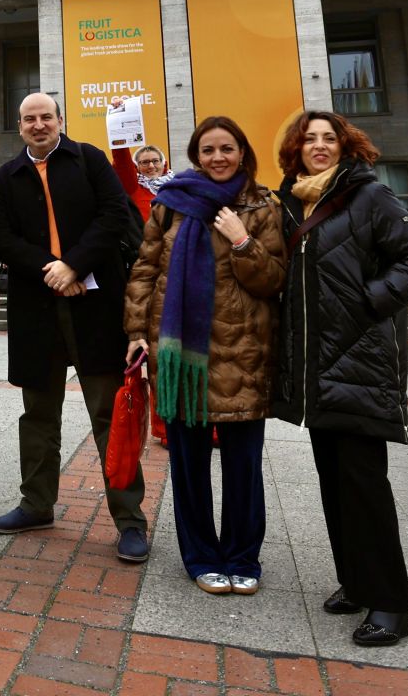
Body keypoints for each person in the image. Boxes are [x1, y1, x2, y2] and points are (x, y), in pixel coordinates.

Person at [272, 109, 408, 648]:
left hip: (359, 361)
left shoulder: (369, 196)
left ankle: (391, 602)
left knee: (363, 484)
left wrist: (368, 303)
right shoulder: (294, 203)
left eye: (329, 138)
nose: (319, 146)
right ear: (296, 149)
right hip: (317, 367)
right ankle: (357, 581)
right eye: (309, 139)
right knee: (334, 482)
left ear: (345, 146)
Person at [123, 116, 285, 596]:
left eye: (227, 149)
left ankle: (241, 556)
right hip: (179, 357)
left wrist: (241, 240)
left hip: (243, 353)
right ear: (196, 155)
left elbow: (273, 279)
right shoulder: (169, 206)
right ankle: (199, 555)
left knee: (242, 467)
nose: (218, 157)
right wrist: (135, 330)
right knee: (189, 467)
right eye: (208, 149)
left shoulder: (261, 206)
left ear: (242, 153)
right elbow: (144, 270)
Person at [0, 92, 148, 562]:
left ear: (61, 121)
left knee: (108, 414)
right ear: (20, 126)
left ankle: (130, 520)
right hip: (38, 311)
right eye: (29, 119)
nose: (38, 125)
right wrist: (51, 270)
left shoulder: (89, 160)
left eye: (46, 117)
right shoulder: (8, 175)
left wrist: (74, 266)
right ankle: (36, 504)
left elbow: (115, 215)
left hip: (96, 308)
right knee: (37, 415)